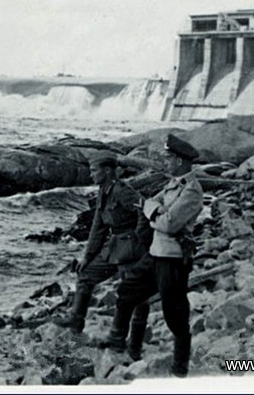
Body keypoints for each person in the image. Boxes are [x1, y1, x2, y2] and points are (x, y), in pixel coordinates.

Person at [96, 134, 203, 377]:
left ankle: (180, 367)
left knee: (174, 314)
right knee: (126, 292)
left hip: (173, 259)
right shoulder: (173, 184)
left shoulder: (192, 190)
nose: (165, 162)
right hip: (155, 254)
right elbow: (150, 206)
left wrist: (155, 213)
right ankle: (117, 342)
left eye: (168, 158)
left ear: (179, 161)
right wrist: (156, 212)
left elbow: (169, 224)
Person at [54, 150, 152, 359]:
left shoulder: (123, 191)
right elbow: (98, 227)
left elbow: (145, 210)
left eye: (94, 170)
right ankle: (75, 321)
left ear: (107, 171)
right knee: (86, 275)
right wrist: (87, 257)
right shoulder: (103, 190)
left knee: (134, 297)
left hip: (132, 249)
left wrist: (139, 240)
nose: (91, 175)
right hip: (114, 245)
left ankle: (129, 344)